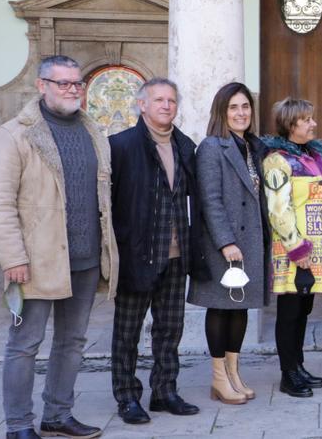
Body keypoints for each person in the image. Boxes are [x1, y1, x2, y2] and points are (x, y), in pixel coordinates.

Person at [0, 55, 119, 439]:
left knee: (73, 341)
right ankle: (19, 425)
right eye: (64, 83)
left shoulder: (93, 131)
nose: (73, 89)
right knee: (25, 343)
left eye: (77, 83)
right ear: (41, 85)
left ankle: (58, 415)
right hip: (36, 261)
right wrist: (13, 258)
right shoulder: (14, 135)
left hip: (86, 259)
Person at [109, 78, 200, 424]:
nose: (166, 105)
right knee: (127, 331)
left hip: (177, 255)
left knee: (169, 328)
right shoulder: (121, 146)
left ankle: (164, 391)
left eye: (171, 101)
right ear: (141, 105)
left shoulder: (185, 146)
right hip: (138, 254)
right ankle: (128, 397)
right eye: (158, 100)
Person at [188, 82, 270, 406]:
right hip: (226, 244)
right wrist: (226, 243)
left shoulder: (251, 146)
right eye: (233, 107)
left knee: (240, 309)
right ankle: (219, 379)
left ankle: (234, 373)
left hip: (250, 240)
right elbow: (209, 200)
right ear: (222, 112)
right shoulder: (211, 147)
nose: (241, 113)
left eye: (245, 107)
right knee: (221, 308)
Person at [263, 97, 322, 398]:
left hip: (316, 245)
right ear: (290, 123)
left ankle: (298, 365)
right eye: (306, 120)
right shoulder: (277, 161)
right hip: (295, 249)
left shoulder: (311, 156)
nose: (313, 124)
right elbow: (278, 210)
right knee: (290, 311)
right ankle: (287, 374)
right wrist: (297, 248)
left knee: (304, 309)